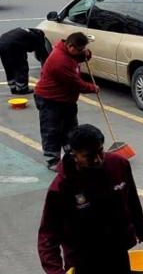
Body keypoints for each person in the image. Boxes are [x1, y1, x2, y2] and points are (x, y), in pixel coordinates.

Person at [38, 124, 143, 274]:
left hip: (115, 254)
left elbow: (131, 198)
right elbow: (48, 233)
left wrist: (140, 228)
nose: (98, 159)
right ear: (73, 154)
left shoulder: (118, 165)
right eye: (90, 155)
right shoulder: (61, 187)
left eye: (100, 151)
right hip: (80, 260)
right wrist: (55, 272)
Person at [35, 32, 97, 171]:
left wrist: (85, 54)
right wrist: (93, 88)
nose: (82, 52)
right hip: (49, 100)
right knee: (52, 130)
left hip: (66, 100)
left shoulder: (69, 52)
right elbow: (76, 84)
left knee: (70, 127)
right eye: (80, 50)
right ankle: (53, 160)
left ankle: (71, 153)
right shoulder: (59, 61)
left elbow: (77, 57)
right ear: (70, 46)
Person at [0, 27, 50, 95]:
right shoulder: (38, 37)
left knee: (8, 66)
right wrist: (46, 72)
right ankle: (22, 89)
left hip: (2, 42)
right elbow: (43, 56)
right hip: (14, 43)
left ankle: (13, 88)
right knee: (21, 66)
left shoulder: (27, 33)